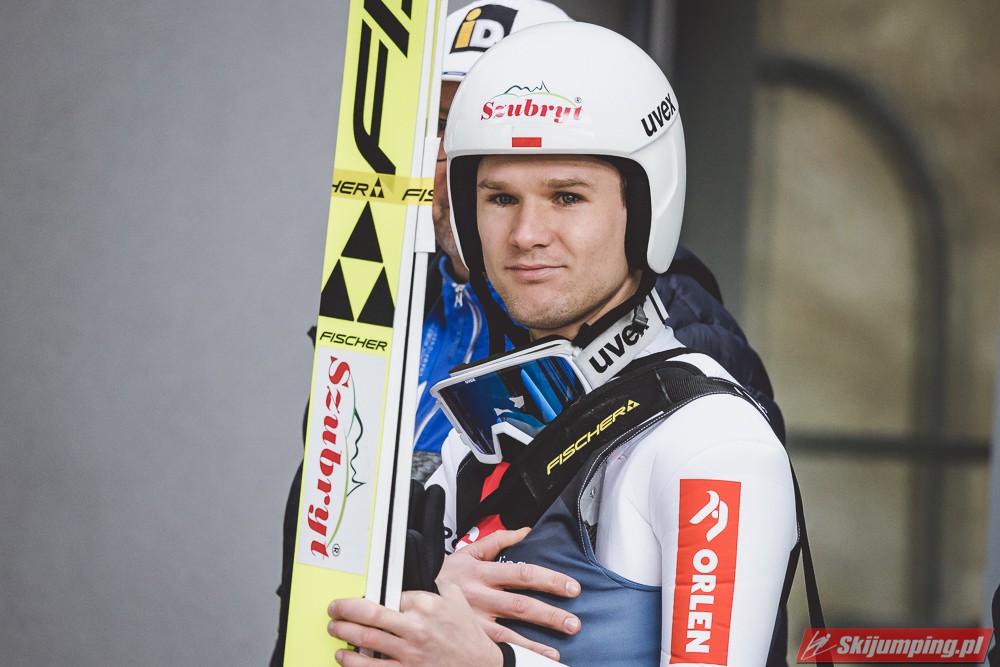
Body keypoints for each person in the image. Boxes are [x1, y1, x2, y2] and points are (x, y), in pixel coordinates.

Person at [326, 21, 797, 667]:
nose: (526, 233)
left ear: (645, 208)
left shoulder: (714, 441)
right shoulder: (479, 427)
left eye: (567, 196)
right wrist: (427, 601)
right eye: (500, 198)